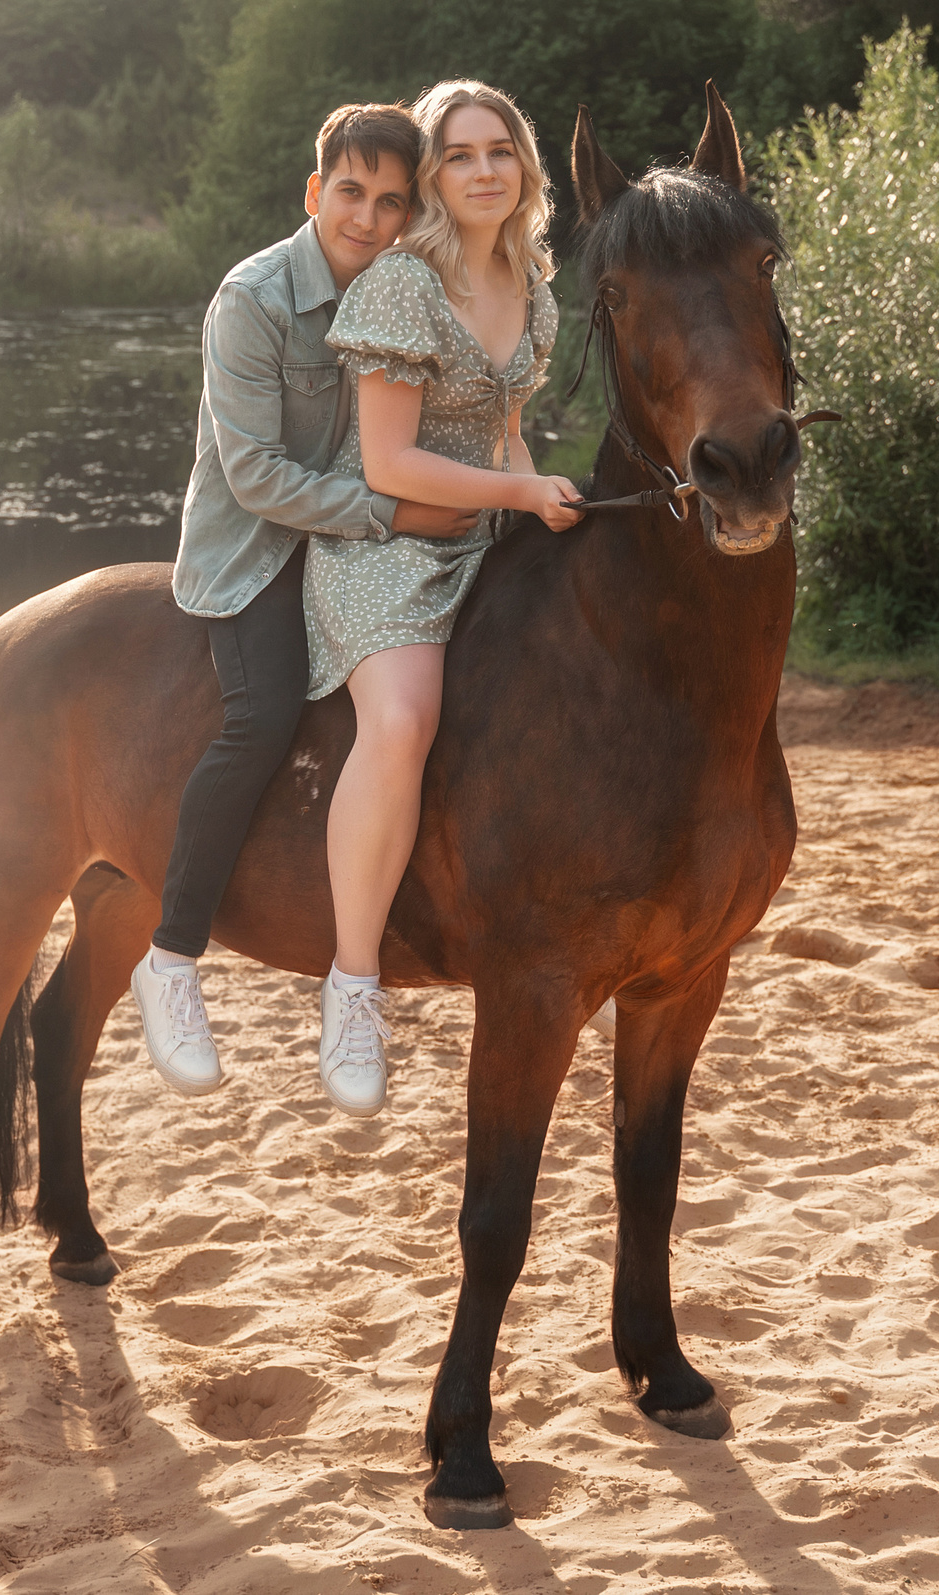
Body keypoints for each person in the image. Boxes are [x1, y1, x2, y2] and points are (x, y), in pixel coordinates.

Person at [135, 103, 482, 1101]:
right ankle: (169, 956)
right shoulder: (249, 300)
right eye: (350, 194)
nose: (367, 220)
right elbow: (255, 476)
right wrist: (396, 513)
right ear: (312, 192)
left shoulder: (400, 290)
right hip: (255, 550)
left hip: (356, 542)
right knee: (265, 712)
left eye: (390, 203)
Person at [301, 80, 584, 1117]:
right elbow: (387, 462)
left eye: (498, 151)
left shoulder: (535, 289)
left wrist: (537, 508)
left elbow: (504, 429)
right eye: (458, 155)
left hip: (485, 530)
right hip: (389, 544)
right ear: (431, 176)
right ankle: (353, 984)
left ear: (525, 168)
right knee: (408, 716)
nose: (481, 171)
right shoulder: (401, 287)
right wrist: (514, 488)